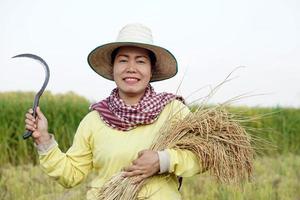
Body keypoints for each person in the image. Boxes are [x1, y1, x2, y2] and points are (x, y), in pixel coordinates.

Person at [25, 23, 201, 200]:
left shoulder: (173, 111)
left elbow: (202, 156)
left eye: (140, 61)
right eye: (123, 60)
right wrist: (44, 139)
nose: (131, 68)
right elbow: (71, 175)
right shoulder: (94, 119)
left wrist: (162, 160)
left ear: (151, 69)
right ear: (113, 68)